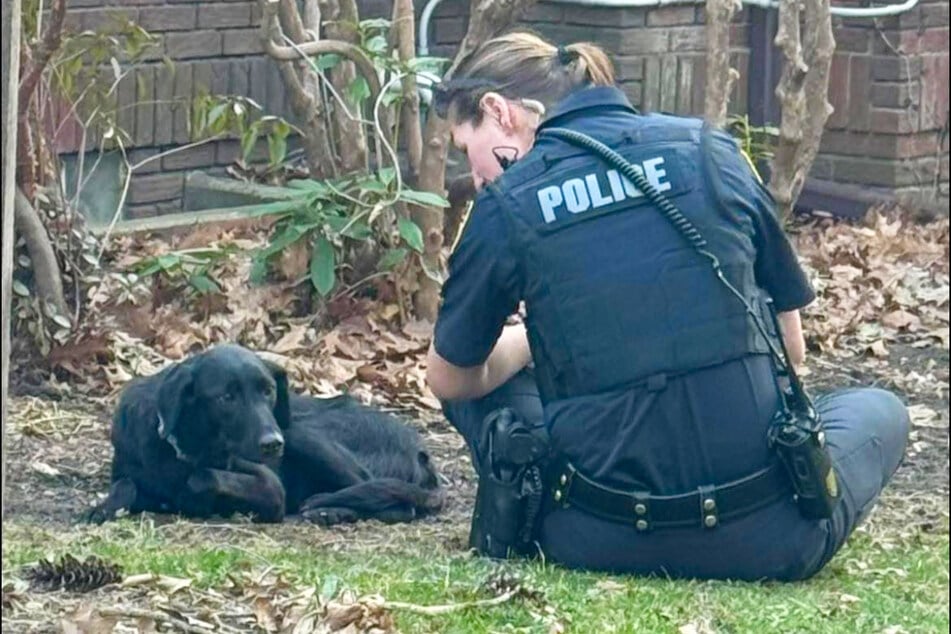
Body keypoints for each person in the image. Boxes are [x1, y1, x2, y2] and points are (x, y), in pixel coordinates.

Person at [424, 31, 910, 581]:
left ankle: (531, 503)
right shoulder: (710, 150)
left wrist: (531, 343)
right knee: (879, 409)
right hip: (770, 539)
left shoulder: (507, 203)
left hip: (591, 536)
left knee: (481, 382)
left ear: (499, 111)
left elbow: (447, 377)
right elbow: (791, 353)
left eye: (470, 150)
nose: (479, 175)